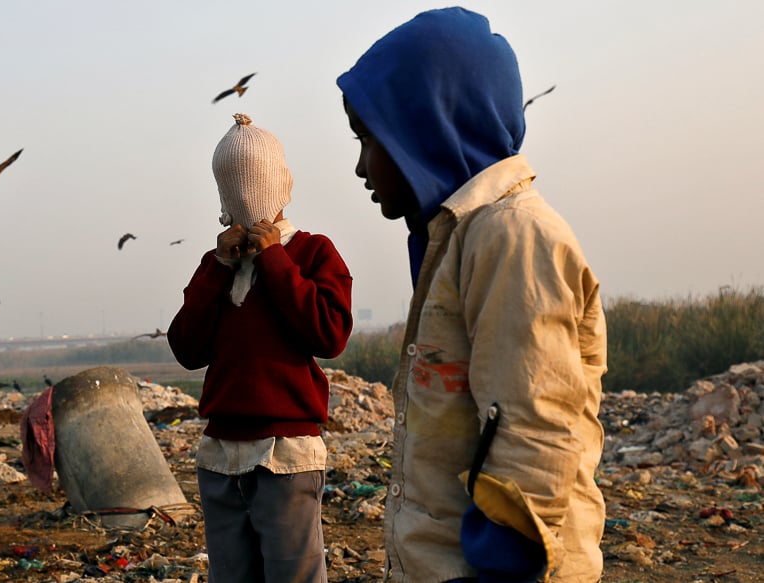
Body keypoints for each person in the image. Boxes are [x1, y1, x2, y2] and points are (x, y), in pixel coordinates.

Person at [337, 7, 607, 583]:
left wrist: (501, 565)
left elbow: (533, 426)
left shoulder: (511, 236)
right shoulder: (457, 238)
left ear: (426, 127)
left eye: (369, 139)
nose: (360, 167)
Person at [168, 113, 353, 583]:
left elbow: (329, 335)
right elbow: (187, 347)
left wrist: (273, 258)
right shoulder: (218, 265)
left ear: (280, 184)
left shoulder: (312, 253)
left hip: (286, 454)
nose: (245, 200)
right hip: (221, 456)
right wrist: (216, 266)